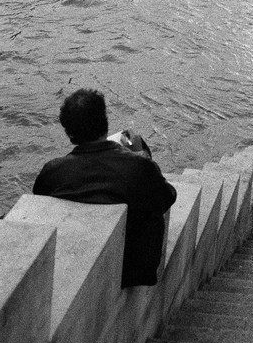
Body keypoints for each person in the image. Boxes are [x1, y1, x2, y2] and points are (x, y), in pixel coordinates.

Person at [33, 89, 177, 288]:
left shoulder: (52, 172)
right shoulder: (140, 167)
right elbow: (166, 197)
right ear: (105, 121)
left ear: (69, 132)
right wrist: (142, 157)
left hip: (70, 263)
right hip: (130, 272)